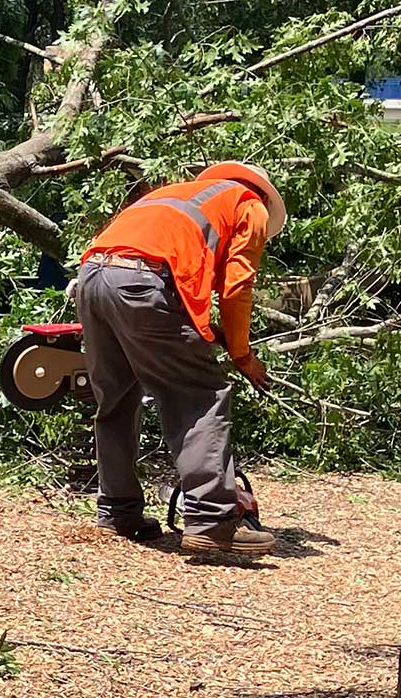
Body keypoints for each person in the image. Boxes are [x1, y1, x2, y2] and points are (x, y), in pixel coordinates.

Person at [74, 162, 286, 558]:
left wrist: (210, 332)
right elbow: (236, 289)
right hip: (145, 283)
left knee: (116, 398)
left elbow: (169, 265)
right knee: (201, 395)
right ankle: (211, 520)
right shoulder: (250, 205)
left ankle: (118, 511)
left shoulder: (177, 195)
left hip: (92, 277)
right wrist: (242, 355)